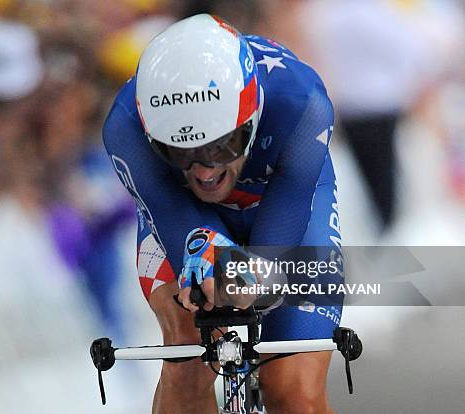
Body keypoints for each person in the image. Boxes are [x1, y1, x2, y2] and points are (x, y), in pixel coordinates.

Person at [103, 14, 342, 414]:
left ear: (250, 120)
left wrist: (253, 275)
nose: (205, 171)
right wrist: (213, 271)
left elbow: (279, 243)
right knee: (189, 352)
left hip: (281, 207)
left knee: (294, 391)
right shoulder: (125, 127)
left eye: (221, 146)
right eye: (178, 152)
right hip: (185, 212)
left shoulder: (301, 100)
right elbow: (173, 217)